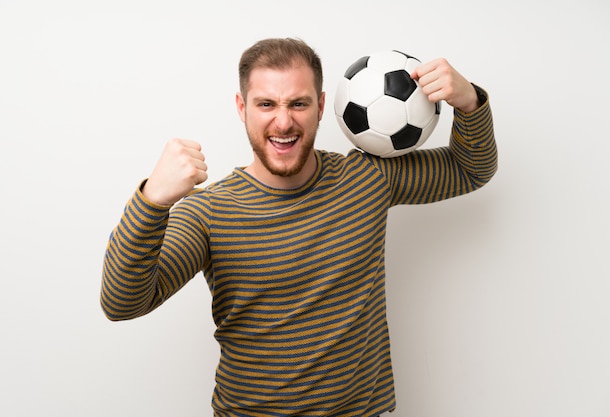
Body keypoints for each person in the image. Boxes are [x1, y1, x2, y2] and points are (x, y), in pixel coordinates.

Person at [101, 37, 497, 416]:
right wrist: (152, 200)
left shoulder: (366, 179)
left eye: (299, 103)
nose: (283, 121)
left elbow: (471, 168)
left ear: (322, 106)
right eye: (266, 104)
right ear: (242, 107)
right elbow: (122, 303)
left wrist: (470, 103)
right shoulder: (209, 212)